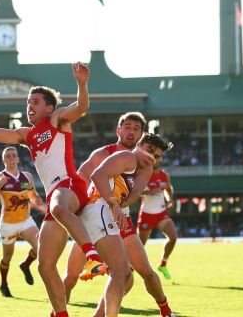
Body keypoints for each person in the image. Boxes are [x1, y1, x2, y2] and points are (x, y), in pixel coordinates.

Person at [0, 62, 107, 317]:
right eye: (27, 103)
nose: (29, 106)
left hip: (70, 186)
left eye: (35, 102)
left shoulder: (57, 120)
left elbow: (81, 107)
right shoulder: (27, 134)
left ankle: (91, 255)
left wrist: (82, 84)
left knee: (56, 207)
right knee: (45, 266)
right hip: (56, 199)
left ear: (49, 107)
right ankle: (61, 314)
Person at [63, 113, 176, 317]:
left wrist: (119, 204)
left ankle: (165, 309)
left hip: (117, 215)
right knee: (79, 276)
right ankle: (59, 311)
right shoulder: (110, 154)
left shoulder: (145, 166)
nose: (131, 131)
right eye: (128, 127)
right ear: (119, 130)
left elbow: (133, 195)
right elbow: (82, 179)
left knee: (138, 274)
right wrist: (67, 211)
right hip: (97, 210)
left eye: (136, 128)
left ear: (141, 133)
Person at [0, 146, 47, 298]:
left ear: (18, 159)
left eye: (14, 155)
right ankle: (3, 284)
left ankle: (26, 264)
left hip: (25, 220)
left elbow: (32, 196)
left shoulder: (26, 176)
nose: (12, 158)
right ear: (4, 160)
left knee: (40, 247)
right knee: (7, 257)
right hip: (8, 223)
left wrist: (38, 200)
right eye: (8, 156)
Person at [137, 157, 177, 280]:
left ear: (161, 160)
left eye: (157, 158)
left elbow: (168, 189)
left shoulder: (165, 175)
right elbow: (135, 193)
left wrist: (169, 198)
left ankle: (163, 264)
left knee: (173, 237)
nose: (155, 160)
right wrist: (149, 192)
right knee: (139, 245)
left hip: (161, 213)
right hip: (146, 214)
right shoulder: (144, 175)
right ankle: (131, 268)